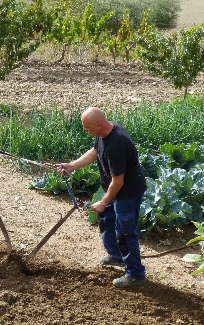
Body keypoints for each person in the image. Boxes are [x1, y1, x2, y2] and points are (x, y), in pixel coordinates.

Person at [56, 107, 147, 288]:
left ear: (98, 125)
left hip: (127, 194)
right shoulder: (104, 133)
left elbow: (118, 182)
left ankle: (135, 275)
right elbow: (94, 151)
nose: (85, 130)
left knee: (125, 233)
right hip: (114, 190)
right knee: (106, 220)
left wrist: (103, 201)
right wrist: (72, 165)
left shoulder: (117, 145)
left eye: (87, 127)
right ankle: (116, 257)